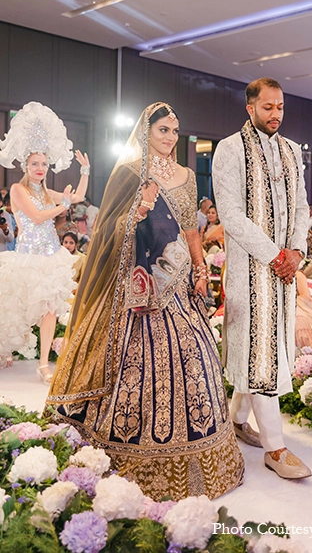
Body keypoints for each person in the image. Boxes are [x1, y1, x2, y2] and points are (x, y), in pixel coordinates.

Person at [46, 102, 244, 501]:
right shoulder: (129, 173)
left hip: (177, 282)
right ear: (146, 132)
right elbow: (108, 231)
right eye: (162, 130)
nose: (170, 137)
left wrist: (200, 270)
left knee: (196, 354)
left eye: (174, 130)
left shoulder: (188, 176)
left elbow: (191, 230)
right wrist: (141, 207)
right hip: (137, 287)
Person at [212, 77, 311, 480]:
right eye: (268, 107)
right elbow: (230, 214)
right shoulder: (229, 149)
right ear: (250, 108)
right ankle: (276, 448)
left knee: (264, 351)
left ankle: (236, 420)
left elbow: (302, 206)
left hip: (284, 273)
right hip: (250, 272)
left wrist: (297, 252)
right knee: (259, 352)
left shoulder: (291, 150)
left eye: (280, 107)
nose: (276, 114)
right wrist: (275, 255)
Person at [0, 102, 89, 378]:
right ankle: (4, 350)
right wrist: (63, 205)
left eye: (44, 164)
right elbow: (38, 217)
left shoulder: (47, 192)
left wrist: (85, 171)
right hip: (28, 259)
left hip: (49, 258)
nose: (40, 168)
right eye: (35, 164)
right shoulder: (18, 189)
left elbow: (77, 197)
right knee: (15, 310)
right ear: (26, 166)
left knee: (49, 310)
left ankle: (42, 365)